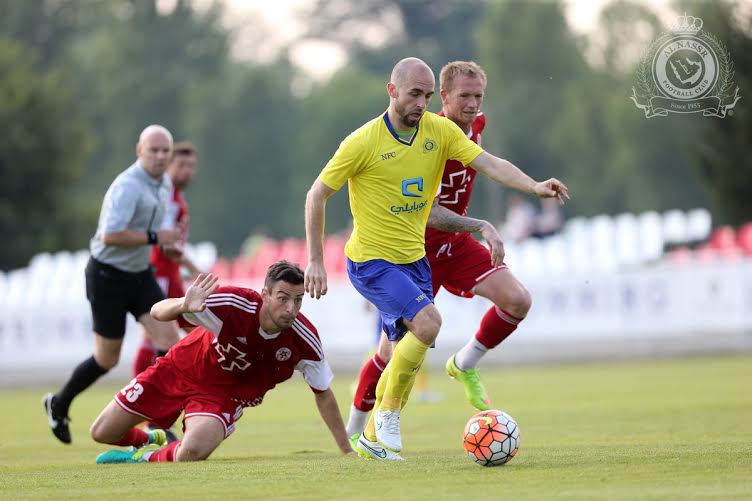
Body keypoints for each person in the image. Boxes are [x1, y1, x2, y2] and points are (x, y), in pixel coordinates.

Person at [304, 57, 568, 460]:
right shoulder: (363, 141)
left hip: (417, 260)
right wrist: (316, 260)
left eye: (426, 96)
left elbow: (491, 164)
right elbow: (318, 194)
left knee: (404, 348)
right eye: (415, 94)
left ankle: (371, 433)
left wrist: (534, 186)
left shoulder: (441, 131)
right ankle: (376, 425)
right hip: (374, 260)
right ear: (391, 91)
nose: (421, 104)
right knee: (424, 327)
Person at [91, 262, 354, 463]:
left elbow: (323, 394)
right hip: (178, 368)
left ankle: (144, 457)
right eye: (282, 298)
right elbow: (158, 312)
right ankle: (150, 439)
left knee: (191, 452)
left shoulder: (304, 340)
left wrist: (345, 449)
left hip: (222, 395)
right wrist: (183, 305)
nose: (290, 309)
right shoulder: (233, 303)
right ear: (265, 294)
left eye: (297, 300)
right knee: (101, 432)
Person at [43, 125, 183, 445]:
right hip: (107, 276)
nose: (162, 156)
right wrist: (154, 238)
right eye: (155, 150)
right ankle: (59, 402)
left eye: (166, 151)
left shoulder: (162, 182)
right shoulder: (127, 186)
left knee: (169, 341)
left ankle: (155, 422)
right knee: (107, 359)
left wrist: (163, 245)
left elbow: (147, 229)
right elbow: (110, 235)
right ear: (139, 150)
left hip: (139, 273)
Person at [132, 141, 201, 380]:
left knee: (195, 330)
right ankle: (139, 397)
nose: (186, 171)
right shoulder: (165, 196)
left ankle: (177, 389)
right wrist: (194, 269)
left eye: (191, 165)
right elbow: (165, 244)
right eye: (181, 164)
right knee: (155, 335)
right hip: (157, 271)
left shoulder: (178, 199)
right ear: (169, 165)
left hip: (170, 274)